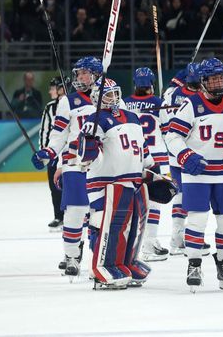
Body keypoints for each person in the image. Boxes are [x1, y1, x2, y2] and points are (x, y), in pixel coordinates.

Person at [165, 58, 223, 292]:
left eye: (221, 78)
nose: (218, 83)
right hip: (197, 174)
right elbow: (172, 136)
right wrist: (185, 156)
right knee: (197, 219)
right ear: (202, 82)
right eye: (212, 79)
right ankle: (194, 264)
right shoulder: (190, 104)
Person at [77, 78, 152, 289]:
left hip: (130, 179)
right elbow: (84, 157)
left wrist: (152, 169)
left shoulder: (132, 117)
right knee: (104, 222)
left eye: (114, 92)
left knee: (132, 224)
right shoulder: (95, 119)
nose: (113, 98)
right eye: (107, 94)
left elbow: (142, 148)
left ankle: (125, 262)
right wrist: (89, 143)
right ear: (96, 98)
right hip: (104, 181)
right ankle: (103, 264)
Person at [31, 57, 102, 278]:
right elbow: (59, 134)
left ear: (96, 75)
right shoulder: (67, 101)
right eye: (78, 73)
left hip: (101, 165)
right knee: (74, 212)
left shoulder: (108, 96)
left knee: (99, 215)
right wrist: (48, 153)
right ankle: (71, 255)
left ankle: (100, 257)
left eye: (84, 73)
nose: (79, 77)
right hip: (74, 163)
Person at [123, 67, 170, 261]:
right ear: (151, 84)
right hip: (156, 158)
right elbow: (168, 132)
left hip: (133, 157)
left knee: (130, 203)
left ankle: (130, 245)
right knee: (155, 202)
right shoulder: (159, 103)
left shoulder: (124, 103)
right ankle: (149, 244)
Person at [160, 63, 204, 256]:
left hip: (174, 151)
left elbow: (163, 123)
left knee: (181, 194)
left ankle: (178, 238)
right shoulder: (200, 96)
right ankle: (181, 239)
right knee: (190, 196)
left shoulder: (170, 93)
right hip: (190, 154)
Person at [39, 76, 67, 231]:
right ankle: (59, 216)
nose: (50, 90)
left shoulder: (72, 103)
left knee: (73, 185)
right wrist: (44, 151)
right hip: (54, 154)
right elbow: (44, 130)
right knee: (54, 186)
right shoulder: (50, 107)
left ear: (61, 88)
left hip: (70, 153)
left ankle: (75, 215)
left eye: (53, 87)